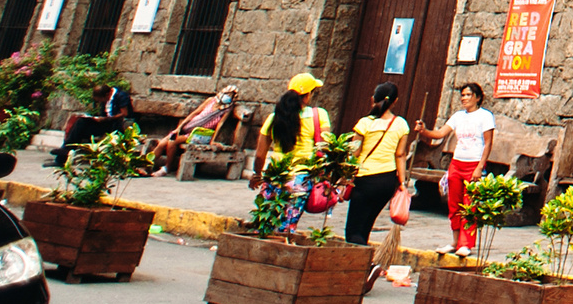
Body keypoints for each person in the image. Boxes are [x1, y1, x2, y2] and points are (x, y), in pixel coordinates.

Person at [246, 75, 332, 236]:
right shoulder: (319, 115)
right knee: (286, 228)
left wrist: (257, 175)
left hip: (275, 176)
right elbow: (326, 146)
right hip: (300, 179)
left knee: (263, 225)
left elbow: (259, 154)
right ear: (307, 96)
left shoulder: (274, 118)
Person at [423, 81, 496, 255]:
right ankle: (455, 242)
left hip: (474, 164)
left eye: (468, 95)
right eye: (462, 95)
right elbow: (440, 133)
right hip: (456, 163)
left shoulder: (485, 116)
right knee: (454, 204)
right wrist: (424, 131)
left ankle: (466, 244)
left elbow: (488, 144)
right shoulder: (458, 116)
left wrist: (480, 167)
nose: (464, 98)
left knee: (469, 205)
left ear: (478, 98)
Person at [345, 83, 410, 250]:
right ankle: (363, 259)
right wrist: (402, 183)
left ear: (373, 99)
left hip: (364, 179)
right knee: (367, 223)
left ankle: (355, 261)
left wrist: (347, 176)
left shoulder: (365, 123)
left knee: (354, 228)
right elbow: (400, 155)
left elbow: (355, 152)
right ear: (395, 101)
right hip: (387, 181)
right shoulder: (401, 124)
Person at [150, 84, 239, 175]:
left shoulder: (227, 109)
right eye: (227, 93)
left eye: (231, 95)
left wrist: (213, 140)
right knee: (162, 143)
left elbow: (220, 124)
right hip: (189, 126)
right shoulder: (211, 100)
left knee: (172, 141)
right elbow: (195, 113)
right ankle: (146, 165)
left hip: (199, 133)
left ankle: (167, 168)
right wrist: (179, 127)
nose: (228, 96)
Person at [49, 80, 135, 169]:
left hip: (116, 124)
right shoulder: (105, 99)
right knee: (81, 123)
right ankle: (63, 153)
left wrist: (107, 118)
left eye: (101, 100)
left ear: (107, 95)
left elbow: (124, 113)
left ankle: (66, 151)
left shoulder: (121, 96)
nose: (101, 102)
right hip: (104, 122)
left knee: (80, 130)